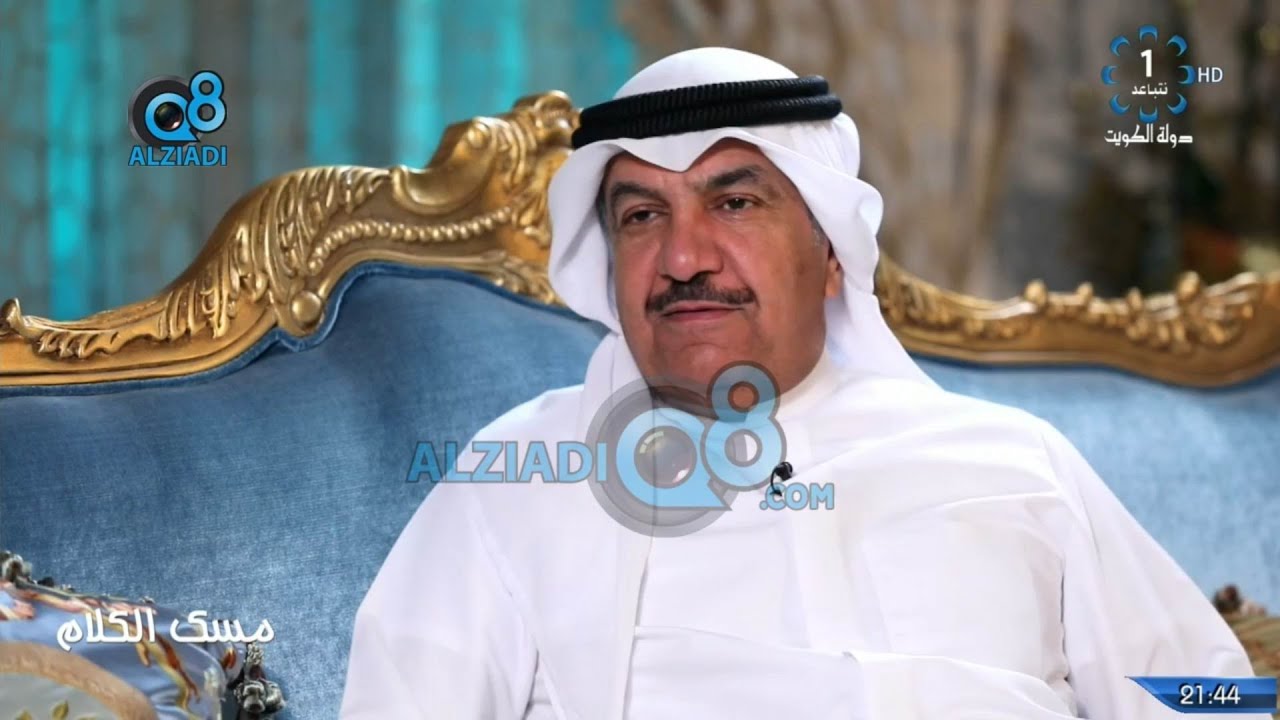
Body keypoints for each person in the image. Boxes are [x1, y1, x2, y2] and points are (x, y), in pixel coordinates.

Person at [340, 47, 1261, 719]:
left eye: (734, 203)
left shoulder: (1016, 462)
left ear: (829, 251)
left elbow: (1206, 696)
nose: (685, 258)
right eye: (643, 216)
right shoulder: (514, 480)